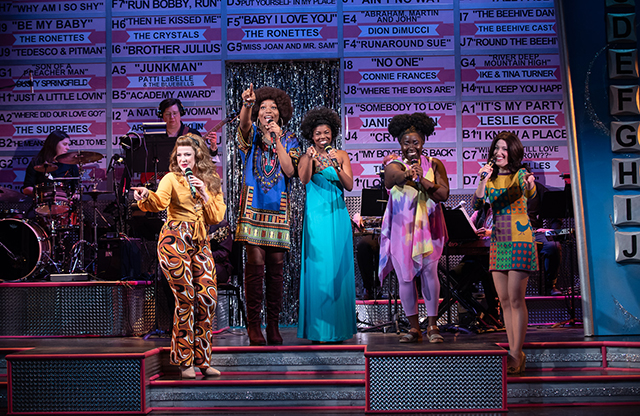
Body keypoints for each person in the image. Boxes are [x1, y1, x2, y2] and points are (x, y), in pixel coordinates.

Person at [132, 133, 226, 379]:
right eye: (180, 154)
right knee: (186, 298)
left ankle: (203, 360)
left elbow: (216, 217)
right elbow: (159, 202)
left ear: (198, 157)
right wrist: (146, 196)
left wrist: (205, 194)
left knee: (207, 299)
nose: (183, 159)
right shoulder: (171, 178)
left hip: (200, 241)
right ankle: (185, 361)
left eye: (188, 155)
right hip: (174, 240)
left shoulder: (212, 180)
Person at [235, 84, 301, 346]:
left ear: (280, 113)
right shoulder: (251, 136)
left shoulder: (290, 138)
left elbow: (289, 171)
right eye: (263, 107)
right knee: (255, 267)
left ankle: (273, 325)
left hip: (278, 210)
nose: (268, 110)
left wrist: (278, 140)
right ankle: (254, 326)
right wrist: (247, 104)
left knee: (276, 271)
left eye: (273, 107)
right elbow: (243, 125)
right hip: (253, 209)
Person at [378, 113, 450, 343]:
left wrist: (422, 180)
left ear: (423, 142)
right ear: (400, 144)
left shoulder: (434, 164)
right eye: (406, 142)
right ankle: (413, 328)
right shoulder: (394, 164)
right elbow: (391, 179)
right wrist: (407, 174)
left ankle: (432, 325)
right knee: (406, 278)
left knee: (429, 273)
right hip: (402, 229)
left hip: (429, 228)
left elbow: (443, 194)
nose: (411, 147)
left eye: (415, 142)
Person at [473, 131, 537, 375]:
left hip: (520, 238)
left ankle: (515, 353)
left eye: (504, 149)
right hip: (499, 240)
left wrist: (530, 184)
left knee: (516, 298)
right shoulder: (489, 177)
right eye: (496, 148)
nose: (499, 152)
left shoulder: (520, 174)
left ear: (513, 152)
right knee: (505, 301)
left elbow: (529, 192)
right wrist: (482, 179)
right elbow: (477, 204)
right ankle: (513, 351)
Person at [297, 107, 357, 343]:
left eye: (326, 132)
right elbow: (303, 179)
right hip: (316, 216)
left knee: (337, 268)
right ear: (311, 136)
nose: (323, 136)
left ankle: (339, 329)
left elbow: (349, 185)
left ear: (333, 134)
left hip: (337, 213)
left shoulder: (341, 154)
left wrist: (336, 166)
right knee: (319, 269)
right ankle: (318, 330)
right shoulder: (306, 155)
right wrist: (309, 158)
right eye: (318, 133)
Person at [527, 181, 563, 296]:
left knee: (553, 246)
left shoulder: (538, 188)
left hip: (534, 231)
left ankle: (551, 285)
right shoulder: (506, 187)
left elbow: (555, 211)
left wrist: (553, 231)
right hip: (509, 233)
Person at [22, 130, 79, 198]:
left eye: (68, 145)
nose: (68, 148)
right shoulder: (37, 162)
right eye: (64, 144)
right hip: (43, 201)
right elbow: (26, 189)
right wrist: (42, 193)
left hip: (65, 201)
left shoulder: (71, 164)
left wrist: (75, 196)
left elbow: (77, 191)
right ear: (54, 144)